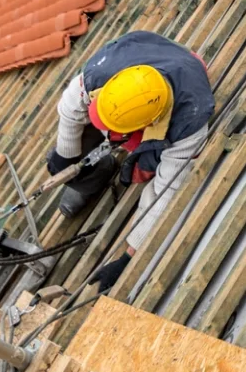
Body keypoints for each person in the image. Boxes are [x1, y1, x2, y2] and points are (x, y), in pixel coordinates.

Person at [48, 30, 212, 291]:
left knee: (144, 171)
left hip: (178, 90)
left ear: (147, 125)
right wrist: (64, 155)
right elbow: (70, 107)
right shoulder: (103, 73)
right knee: (69, 144)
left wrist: (130, 255)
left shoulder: (189, 124)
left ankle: (128, 159)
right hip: (154, 58)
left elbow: (165, 192)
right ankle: (93, 177)